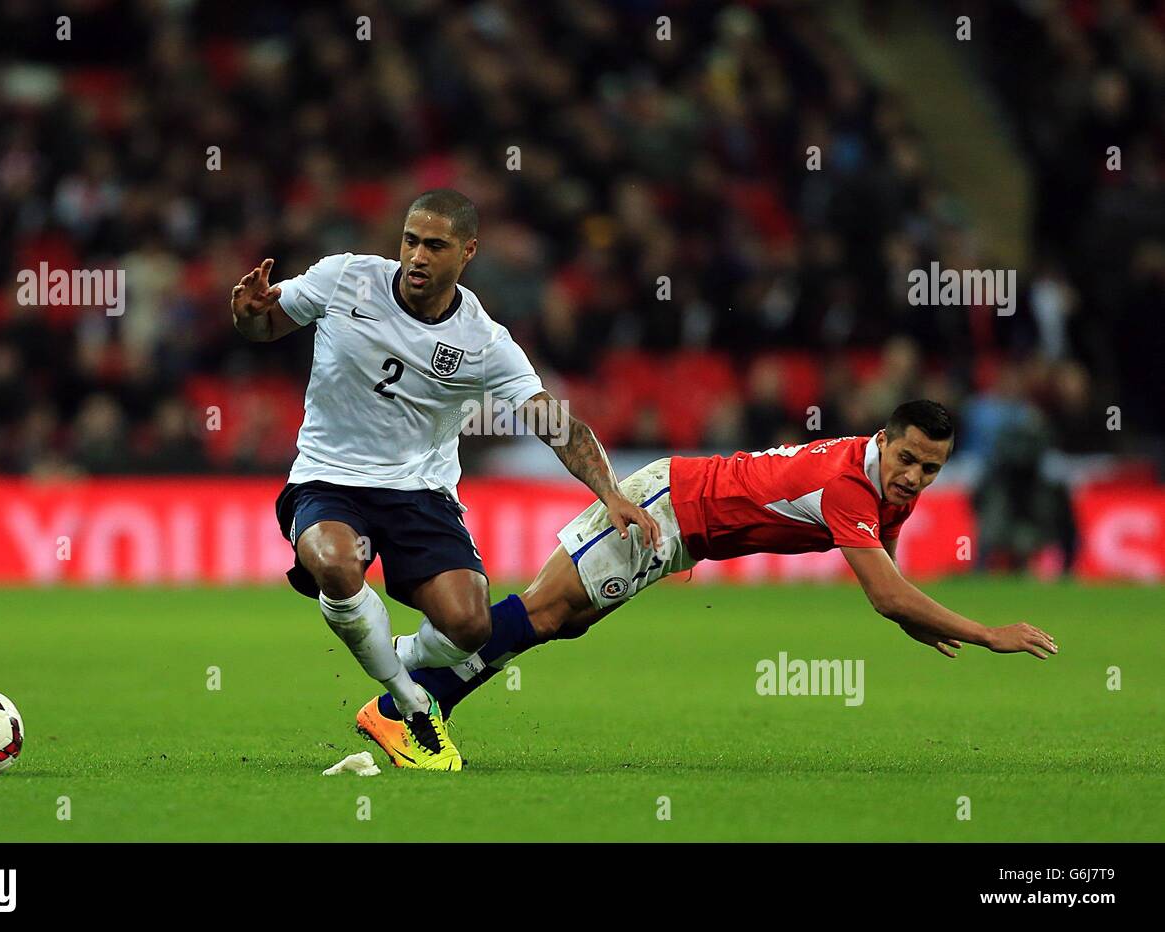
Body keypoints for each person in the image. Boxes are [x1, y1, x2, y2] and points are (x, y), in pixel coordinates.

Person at [356, 400, 1060, 770]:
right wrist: (982, 633)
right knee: (542, 614)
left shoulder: (891, 489)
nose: (914, 477)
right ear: (884, 438)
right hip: (664, 507)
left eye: (931, 469)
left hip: (684, 532)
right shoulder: (849, 484)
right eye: (907, 458)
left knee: (557, 621)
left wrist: (917, 619)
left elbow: (893, 583)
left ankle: (410, 697)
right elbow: (886, 594)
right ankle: (403, 700)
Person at [230, 189, 659, 771]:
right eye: (410, 240)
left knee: (469, 624)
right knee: (334, 562)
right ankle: (408, 705)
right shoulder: (345, 279)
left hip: (420, 494)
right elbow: (263, 329)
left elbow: (553, 421)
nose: (416, 256)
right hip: (328, 480)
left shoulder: (482, 341)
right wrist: (247, 314)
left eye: (435, 245)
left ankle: (396, 657)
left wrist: (611, 492)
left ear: (467, 252)